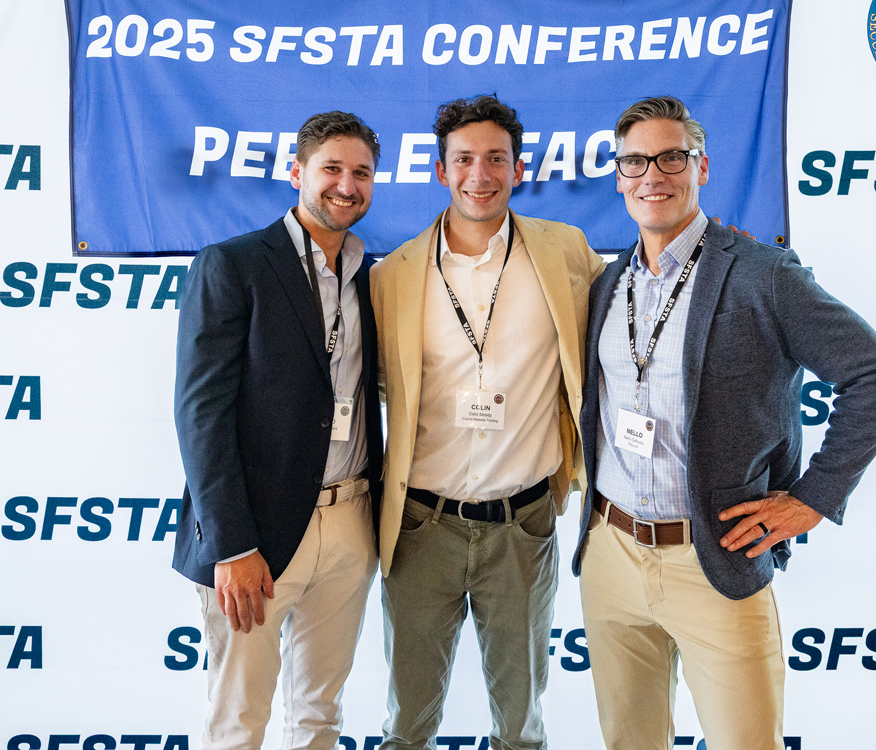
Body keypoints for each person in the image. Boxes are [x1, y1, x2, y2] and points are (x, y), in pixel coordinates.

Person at [572, 96, 876, 750]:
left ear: (701, 167)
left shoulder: (762, 274)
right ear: (618, 176)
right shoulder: (607, 284)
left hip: (714, 559)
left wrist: (813, 498)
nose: (652, 175)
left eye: (671, 158)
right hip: (611, 554)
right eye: (635, 161)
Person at [370, 95, 603, 750]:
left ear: (518, 168)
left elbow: (634, 305)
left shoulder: (566, 251)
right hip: (420, 527)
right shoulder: (392, 276)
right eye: (464, 159)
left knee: (521, 726)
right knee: (406, 726)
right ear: (441, 170)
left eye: (496, 159)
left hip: (523, 526)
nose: (480, 174)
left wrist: (718, 258)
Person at [172, 111, 384, 750]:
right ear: (297, 173)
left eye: (362, 173)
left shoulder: (370, 275)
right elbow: (201, 412)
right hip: (255, 538)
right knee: (239, 720)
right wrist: (232, 545)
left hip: (351, 523)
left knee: (319, 716)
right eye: (331, 169)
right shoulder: (233, 264)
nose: (346, 185)